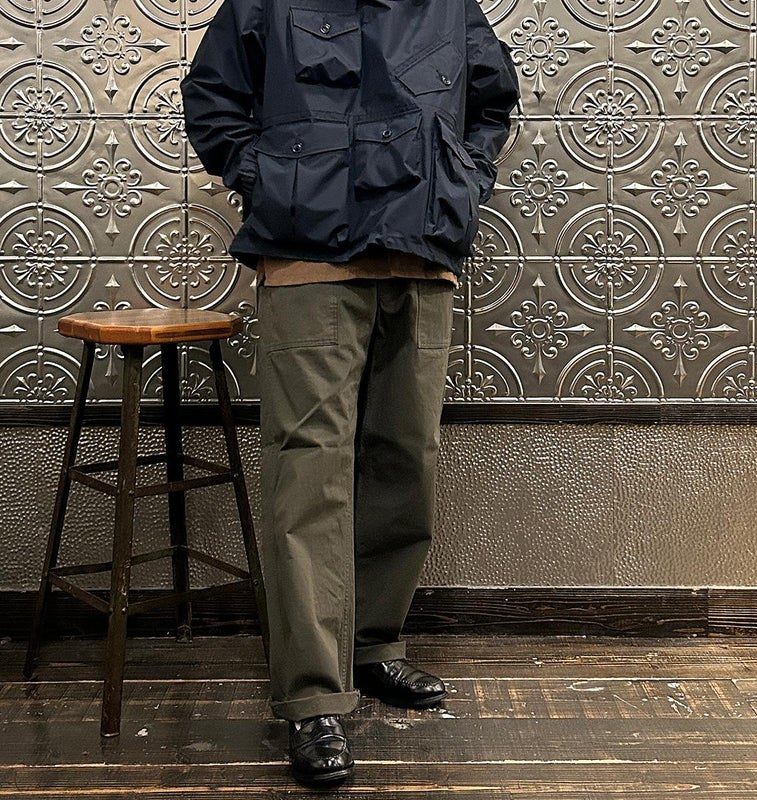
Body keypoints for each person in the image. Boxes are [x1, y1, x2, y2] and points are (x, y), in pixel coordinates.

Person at [181, 0, 520, 788]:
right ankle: (312, 695)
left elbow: (492, 99)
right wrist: (272, 179)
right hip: (309, 258)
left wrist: (461, 177)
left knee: (404, 458)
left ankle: (373, 647)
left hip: (422, 255)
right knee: (310, 469)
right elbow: (212, 99)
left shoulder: (448, 5)